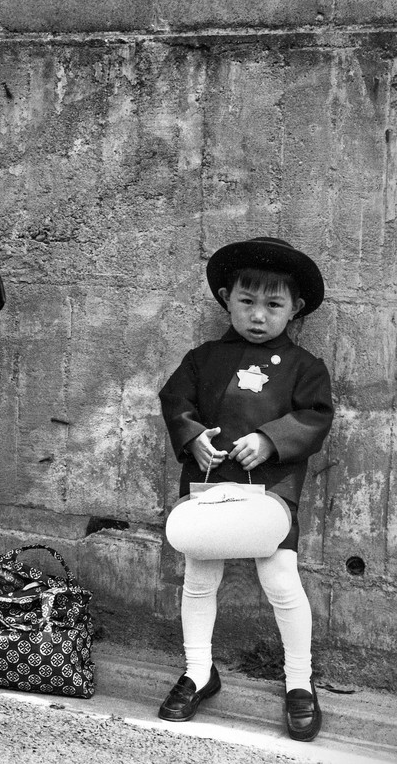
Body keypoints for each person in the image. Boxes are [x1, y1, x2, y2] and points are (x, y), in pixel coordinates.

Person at [157, 237, 334, 741]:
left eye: (274, 305)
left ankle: (299, 681)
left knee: (281, 583)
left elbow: (315, 416)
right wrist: (193, 439)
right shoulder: (203, 357)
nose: (259, 316)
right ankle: (198, 672)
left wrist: (271, 439)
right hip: (211, 485)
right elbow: (176, 401)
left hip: (271, 490)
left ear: (295, 310)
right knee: (199, 578)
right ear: (225, 298)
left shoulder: (305, 367)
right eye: (246, 302)